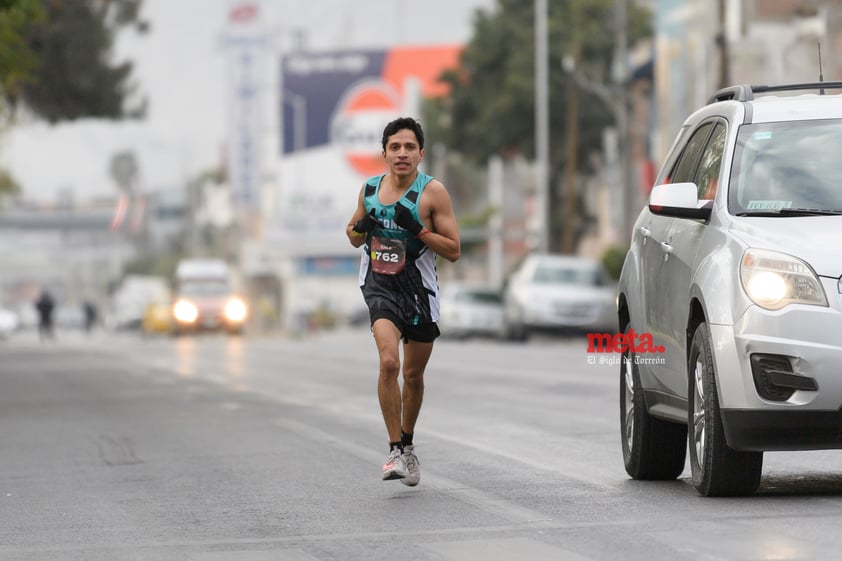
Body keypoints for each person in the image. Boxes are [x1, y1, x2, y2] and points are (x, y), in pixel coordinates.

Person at [346, 116, 461, 486]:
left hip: (418, 291)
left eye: (409, 147)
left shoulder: (433, 193)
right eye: (395, 147)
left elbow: (454, 250)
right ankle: (394, 450)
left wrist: (417, 229)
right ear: (384, 153)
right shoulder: (369, 189)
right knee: (389, 363)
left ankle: (409, 445)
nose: (402, 153)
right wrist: (360, 228)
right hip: (380, 285)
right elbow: (351, 235)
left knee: (413, 375)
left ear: (421, 154)